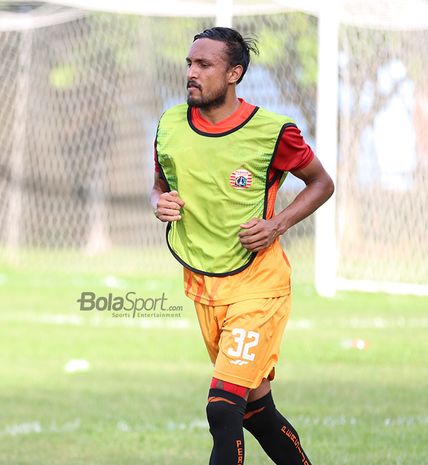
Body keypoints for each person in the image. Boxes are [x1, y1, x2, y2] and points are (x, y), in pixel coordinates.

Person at [151, 28, 334, 465]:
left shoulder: (272, 131)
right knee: (255, 410)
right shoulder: (170, 125)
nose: (191, 73)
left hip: (259, 285)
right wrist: (161, 202)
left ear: (234, 73)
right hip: (204, 286)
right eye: (189, 64)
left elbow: (322, 183)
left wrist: (277, 224)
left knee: (222, 409)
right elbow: (160, 186)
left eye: (204, 65)